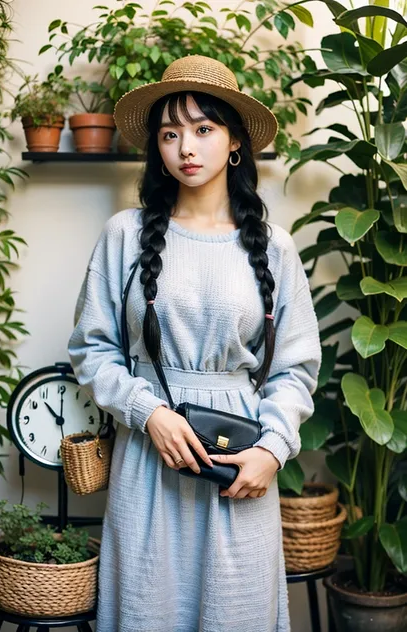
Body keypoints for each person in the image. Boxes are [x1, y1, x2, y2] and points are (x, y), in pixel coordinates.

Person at [68, 54, 322, 632]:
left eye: (204, 129)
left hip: (240, 469)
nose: (186, 147)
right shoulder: (125, 236)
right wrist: (147, 412)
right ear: (156, 148)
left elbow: (296, 367)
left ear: (234, 142)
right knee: (146, 612)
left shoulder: (274, 247)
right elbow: (92, 347)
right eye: (170, 133)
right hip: (150, 462)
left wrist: (272, 449)